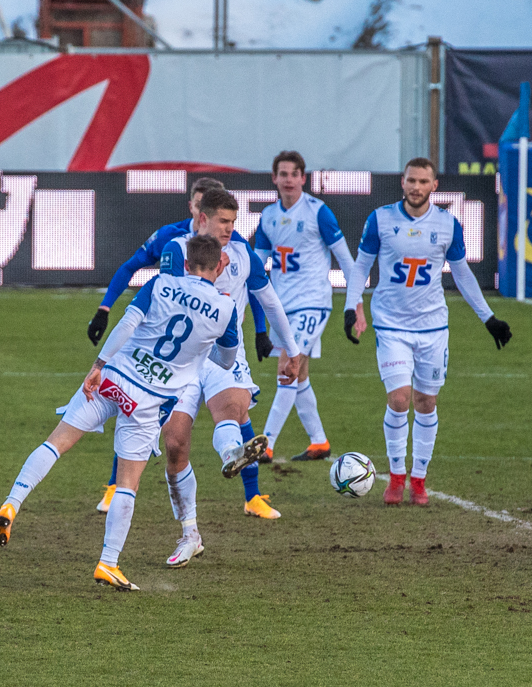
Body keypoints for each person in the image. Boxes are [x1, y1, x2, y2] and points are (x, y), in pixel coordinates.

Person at [0, 234, 238, 589]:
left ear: (185, 264)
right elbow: (227, 360)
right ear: (219, 265)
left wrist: (98, 365)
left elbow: (126, 324)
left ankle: (11, 503)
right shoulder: (226, 308)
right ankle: (108, 563)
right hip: (149, 400)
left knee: (57, 441)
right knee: (127, 483)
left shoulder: (161, 283)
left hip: (113, 377)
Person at [85, 182, 278, 519]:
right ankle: (116, 486)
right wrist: (105, 308)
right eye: (200, 206)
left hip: (214, 345)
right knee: (141, 407)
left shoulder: (234, 247)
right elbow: (131, 268)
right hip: (179, 351)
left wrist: (261, 331)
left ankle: (253, 495)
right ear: (194, 208)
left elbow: (256, 286)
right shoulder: (173, 240)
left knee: (235, 407)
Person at [341, 158, 511, 506]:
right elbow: (361, 265)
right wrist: (350, 305)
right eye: (410, 180)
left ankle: (419, 477)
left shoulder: (448, 224)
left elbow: (462, 274)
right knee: (399, 399)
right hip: (391, 323)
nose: (416, 187)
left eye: (423, 181)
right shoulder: (381, 219)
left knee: (426, 401)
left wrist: (488, 317)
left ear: (435, 186)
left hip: (433, 327)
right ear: (402, 183)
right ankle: (396, 476)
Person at [156, 183, 303, 561]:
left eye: (234, 221)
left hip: (225, 353)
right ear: (201, 218)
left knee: (234, 408)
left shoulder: (242, 253)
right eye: (223, 221)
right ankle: (190, 532)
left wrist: (291, 348)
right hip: (183, 357)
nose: (229, 228)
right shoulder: (176, 251)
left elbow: (268, 300)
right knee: (174, 444)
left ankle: (231, 454)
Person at [252, 150, 359, 463]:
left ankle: (266, 444)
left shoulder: (318, 212)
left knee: (288, 366)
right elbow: (257, 267)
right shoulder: (268, 216)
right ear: (274, 178)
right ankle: (319, 442)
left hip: (313, 303)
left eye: (293, 174)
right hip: (280, 307)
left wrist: (356, 304)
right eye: (282, 174)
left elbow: (348, 261)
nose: (288, 180)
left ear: (303, 178)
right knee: (300, 376)